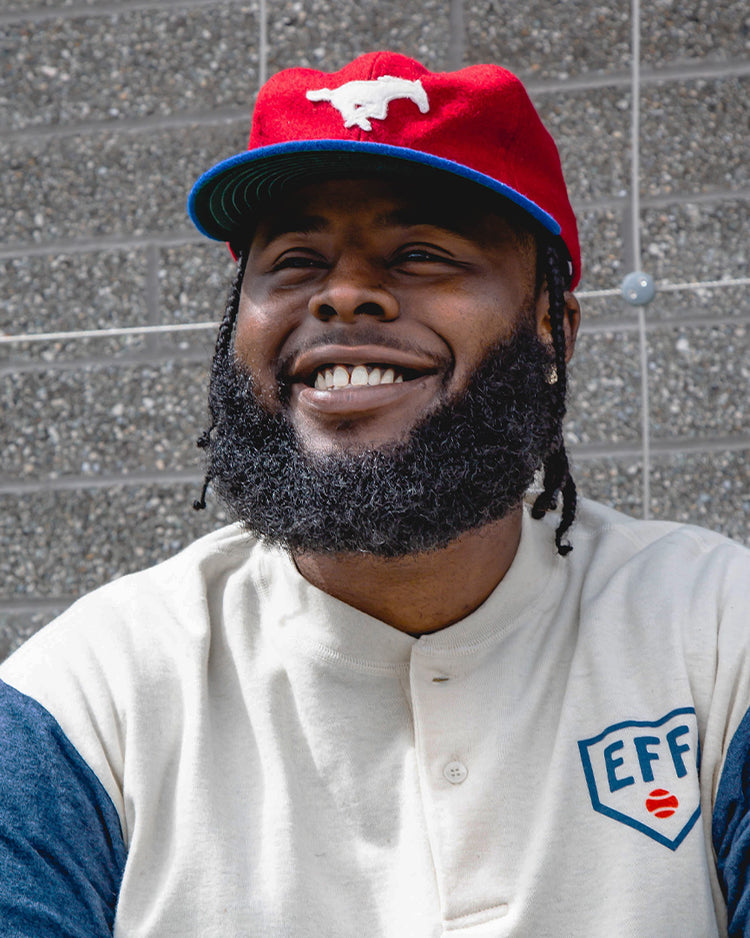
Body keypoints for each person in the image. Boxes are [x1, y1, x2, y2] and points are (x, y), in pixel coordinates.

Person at [0, 50, 748, 937]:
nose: (345, 297)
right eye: (296, 259)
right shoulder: (86, 701)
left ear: (556, 327)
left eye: (422, 254)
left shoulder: (715, 631)